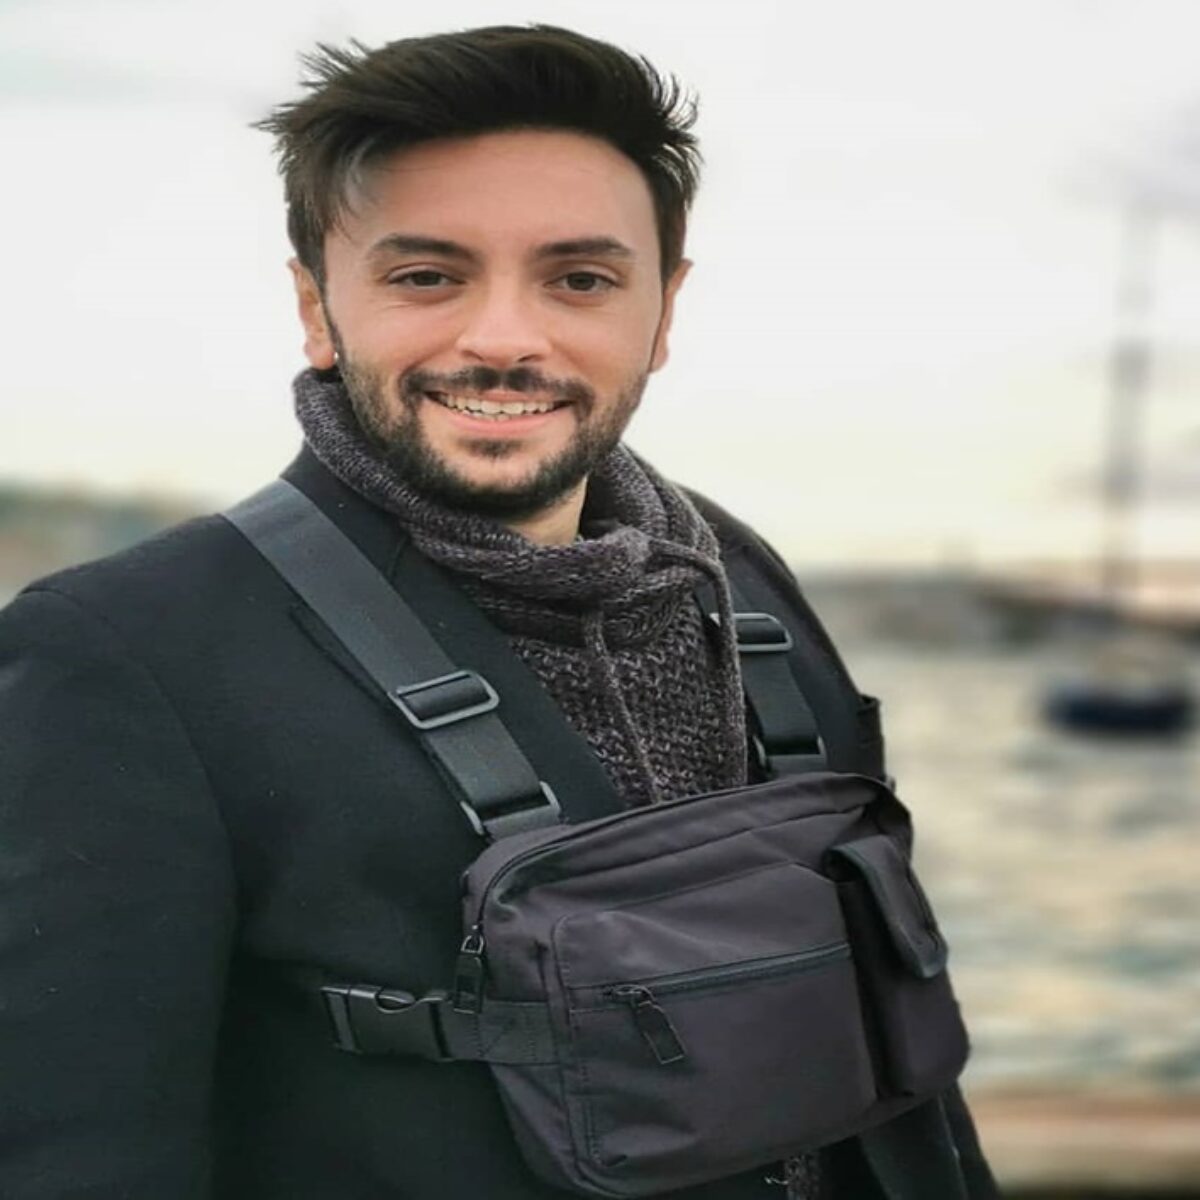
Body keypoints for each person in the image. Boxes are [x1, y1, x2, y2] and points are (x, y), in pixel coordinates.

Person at [0, 24, 997, 1200]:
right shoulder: (125, 651)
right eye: (428, 277)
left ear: (662, 313)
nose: (505, 340)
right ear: (318, 307)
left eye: (581, 280)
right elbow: (78, 1153)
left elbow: (900, 1048)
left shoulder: (744, 576)